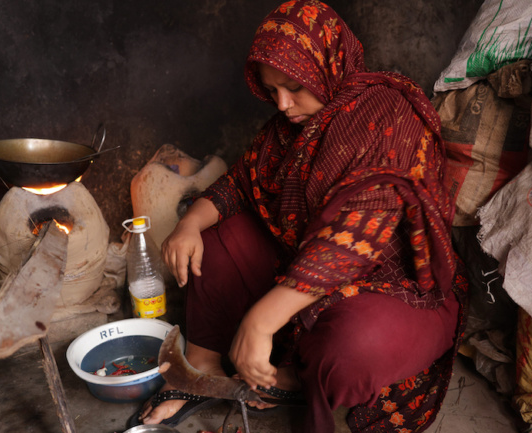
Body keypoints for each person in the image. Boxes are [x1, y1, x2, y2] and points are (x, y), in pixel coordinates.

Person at [141, 1, 467, 431]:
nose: (281, 103)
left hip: (393, 287)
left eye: (292, 86)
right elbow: (239, 182)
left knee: (351, 349)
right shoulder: (291, 127)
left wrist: (261, 321)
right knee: (217, 237)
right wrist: (188, 225)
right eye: (271, 90)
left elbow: (355, 235)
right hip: (308, 269)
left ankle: (297, 376)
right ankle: (203, 367)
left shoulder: (389, 112)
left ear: (327, 66)